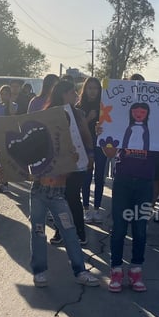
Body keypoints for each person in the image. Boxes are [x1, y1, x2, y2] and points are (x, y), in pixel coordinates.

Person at [102, 140, 156, 292]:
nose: (139, 114)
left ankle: (136, 270)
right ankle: (116, 270)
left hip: (145, 181)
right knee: (119, 227)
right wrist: (104, 136)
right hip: (122, 179)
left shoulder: (156, 124)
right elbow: (110, 153)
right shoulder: (123, 122)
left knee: (140, 228)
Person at [45, 80, 92, 245]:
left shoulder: (79, 114)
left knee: (72, 196)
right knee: (58, 198)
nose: (76, 95)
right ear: (63, 94)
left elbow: (87, 138)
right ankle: (60, 231)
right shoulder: (49, 113)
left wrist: (90, 156)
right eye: (73, 92)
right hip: (56, 165)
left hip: (78, 164)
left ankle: (80, 232)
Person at [77, 77, 107, 223]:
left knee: (100, 176)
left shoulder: (105, 105)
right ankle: (86, 209)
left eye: (95, 88)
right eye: (90, 88)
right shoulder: (79, 106)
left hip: (101, 144)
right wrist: (88, 118)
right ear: (85, 89)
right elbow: (75, 128)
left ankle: (97, 209)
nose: (92, 91)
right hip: (85, 144)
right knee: (86, 177)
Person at [0, 84, 16, 193]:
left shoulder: (14, 106)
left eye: (6, 94)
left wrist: (10, 103)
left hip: (9, 137)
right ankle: (0, 183)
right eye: (2, 94)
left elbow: (14, 117)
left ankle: (6, 183)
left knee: (6, 161)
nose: (3, 96)